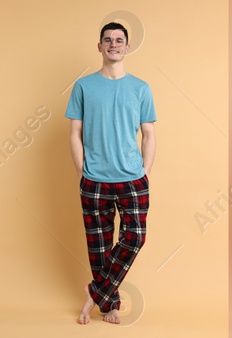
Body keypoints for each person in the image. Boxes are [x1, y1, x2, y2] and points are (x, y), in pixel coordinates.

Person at [72, 21, 158, 326]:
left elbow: (149, 134)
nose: (113, 44)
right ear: (99, 47)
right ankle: (109, 306)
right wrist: (84, 171)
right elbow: (75, 133)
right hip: (94, 181)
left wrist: (144, 173)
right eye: (107, 40)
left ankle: (95, 292)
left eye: (119, 40)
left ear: (127, 47)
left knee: (134, 237)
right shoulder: (83, 86)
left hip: (132, 180)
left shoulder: (140, 88)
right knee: (99, 247)